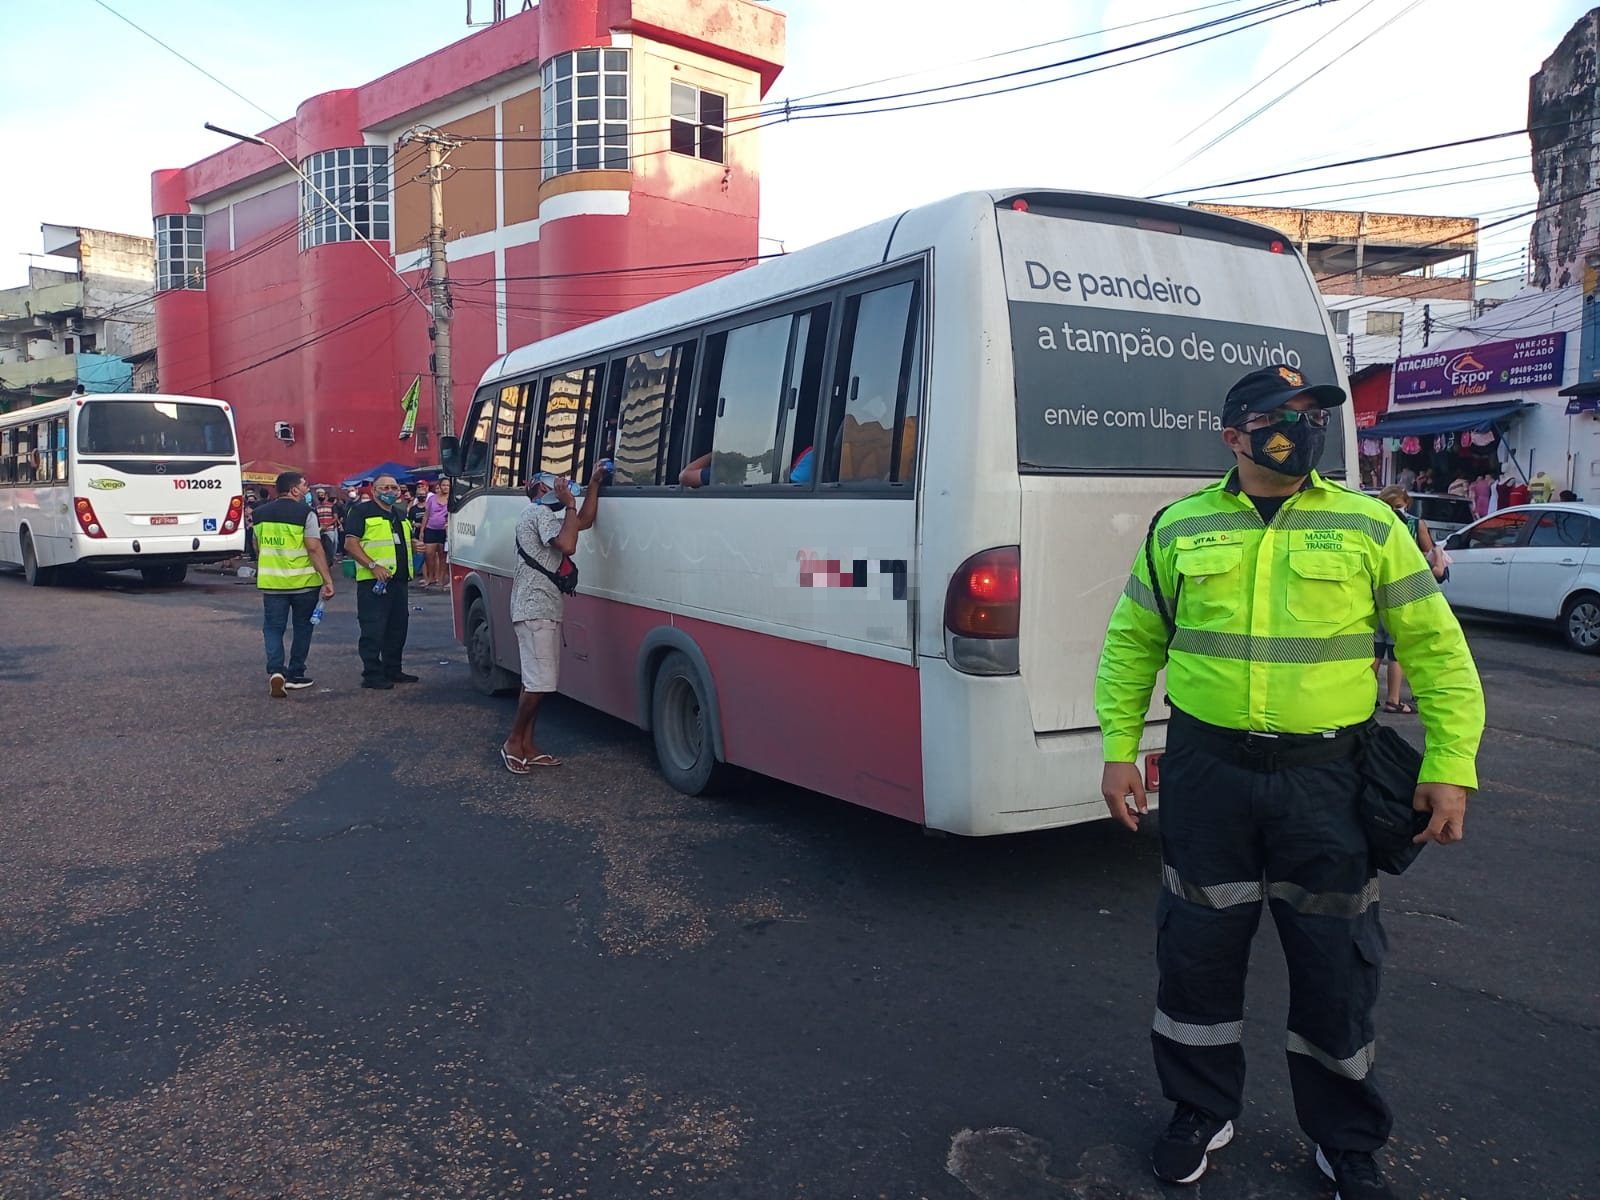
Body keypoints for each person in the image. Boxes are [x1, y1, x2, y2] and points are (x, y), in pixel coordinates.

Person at [1096, 365, 1484, 1200]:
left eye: (1314, 416)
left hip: (1327, 778)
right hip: (1208, 772)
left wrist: (1451, 764)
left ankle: (1343, 1138)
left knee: (1335, 961)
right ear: (1234, 436)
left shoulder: (1369, 525)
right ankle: (1201, 1110)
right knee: (1196, 950)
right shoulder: (1178, 528)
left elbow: (1436, 650)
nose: (1302, 429)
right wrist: (1119, 750)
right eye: (1283, 416)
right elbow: (1133, 644)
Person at [499, 466, 605, 772]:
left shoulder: (540, 517)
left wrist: (594, 484)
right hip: (535, 608)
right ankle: (513, 742)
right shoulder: (537, 514)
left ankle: (528, 746)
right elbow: (569, 544)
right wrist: (571, 503)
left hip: (538, 608)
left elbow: (582, 523)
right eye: (556, 486)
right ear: (542, 490)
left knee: (535, 681)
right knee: (540, 684)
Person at [255, 471, 336, 696]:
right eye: (304, 486)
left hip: (272, 582)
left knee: (272, 628)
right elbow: (313, 547)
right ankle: (296, 673)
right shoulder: (306, 513)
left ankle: (276, 671)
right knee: (302, 628)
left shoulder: (260, 513)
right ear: (293, 490)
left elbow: (257, 546)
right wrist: (327, 580)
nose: (307, 491)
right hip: (304, 582)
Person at [1371, 486, 1447, 715]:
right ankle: (1393, 700)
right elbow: (1430, 565)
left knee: (1375, 647)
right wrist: (1440, 559)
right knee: (1396, 649)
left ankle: (1365, 696)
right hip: (1403, 593)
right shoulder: (1413, 524)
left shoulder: (1373, 522)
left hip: (1376, 591)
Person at [343, 473, 418, 690]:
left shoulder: (400, 514)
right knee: (373, 628)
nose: (390, 492)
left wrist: (413, 545)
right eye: (385, 488)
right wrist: (373, 566)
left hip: (399, 580)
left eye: (394, 488)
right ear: (374, 490)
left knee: (397, 628)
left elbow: (397, 542)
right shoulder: (360, 512)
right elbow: (351, 544)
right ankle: (372, 674)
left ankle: (393, 669)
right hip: (373, 582)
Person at [422, 477, 451, 587]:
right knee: (429, 554)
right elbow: (426, 515)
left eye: (448, 485)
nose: (445, 487)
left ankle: (440, 578)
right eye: (444, 485)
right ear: (439, 486)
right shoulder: (432, 499)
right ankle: (430, 577)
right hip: (431, 528)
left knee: (443, 555)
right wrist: (422, 530)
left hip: (444, 530)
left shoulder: (451, 499)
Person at [312, 488, 341, 565]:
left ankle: (330, 561)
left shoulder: (331, 506)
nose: (320, 496)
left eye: (322, 495)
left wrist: (327, 525)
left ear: (326, 495)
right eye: (319, 495)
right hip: (321, 530)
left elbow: (335, 517)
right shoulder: (317, 507)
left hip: (330, 529)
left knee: (330, 546)